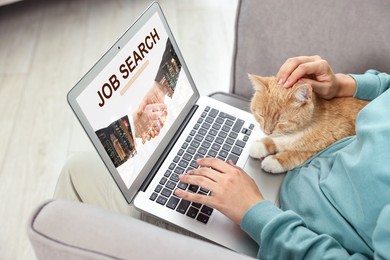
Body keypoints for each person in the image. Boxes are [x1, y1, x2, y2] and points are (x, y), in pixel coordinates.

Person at [55, 56, 390, 259]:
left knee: (79, 172)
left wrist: (254, 213)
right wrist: (344, 85)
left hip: (285, 233)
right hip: (296, 169)